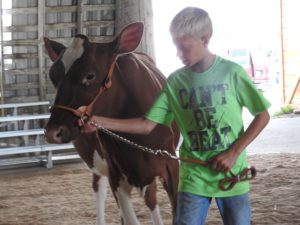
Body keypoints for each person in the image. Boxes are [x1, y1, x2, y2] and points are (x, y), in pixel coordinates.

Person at [80, 7, 271, 225]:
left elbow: (262, 115)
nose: (179, 54)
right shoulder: (175, 82)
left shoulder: (232, 73)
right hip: (194, 178)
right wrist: (100, 122)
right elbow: (146, 124)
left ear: (205, 39)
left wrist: (233, 153)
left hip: (233, 174)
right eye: (176, 47)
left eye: (184, 47)